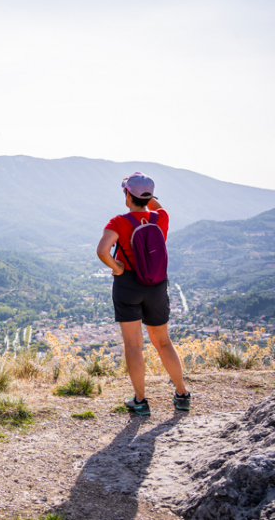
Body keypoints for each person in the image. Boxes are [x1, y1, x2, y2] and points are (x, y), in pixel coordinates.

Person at [96, 172, 190, 415]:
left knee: (133, 345)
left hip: (128, 284)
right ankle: (181, 394)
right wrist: (147, 198)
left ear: (127, 196)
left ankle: (140, 401)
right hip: (156, 284)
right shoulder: (160, 218)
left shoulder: (118, 222)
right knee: (163, 341)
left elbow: (103, 251)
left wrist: (117, 268)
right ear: (149, 197)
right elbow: (156, 207)